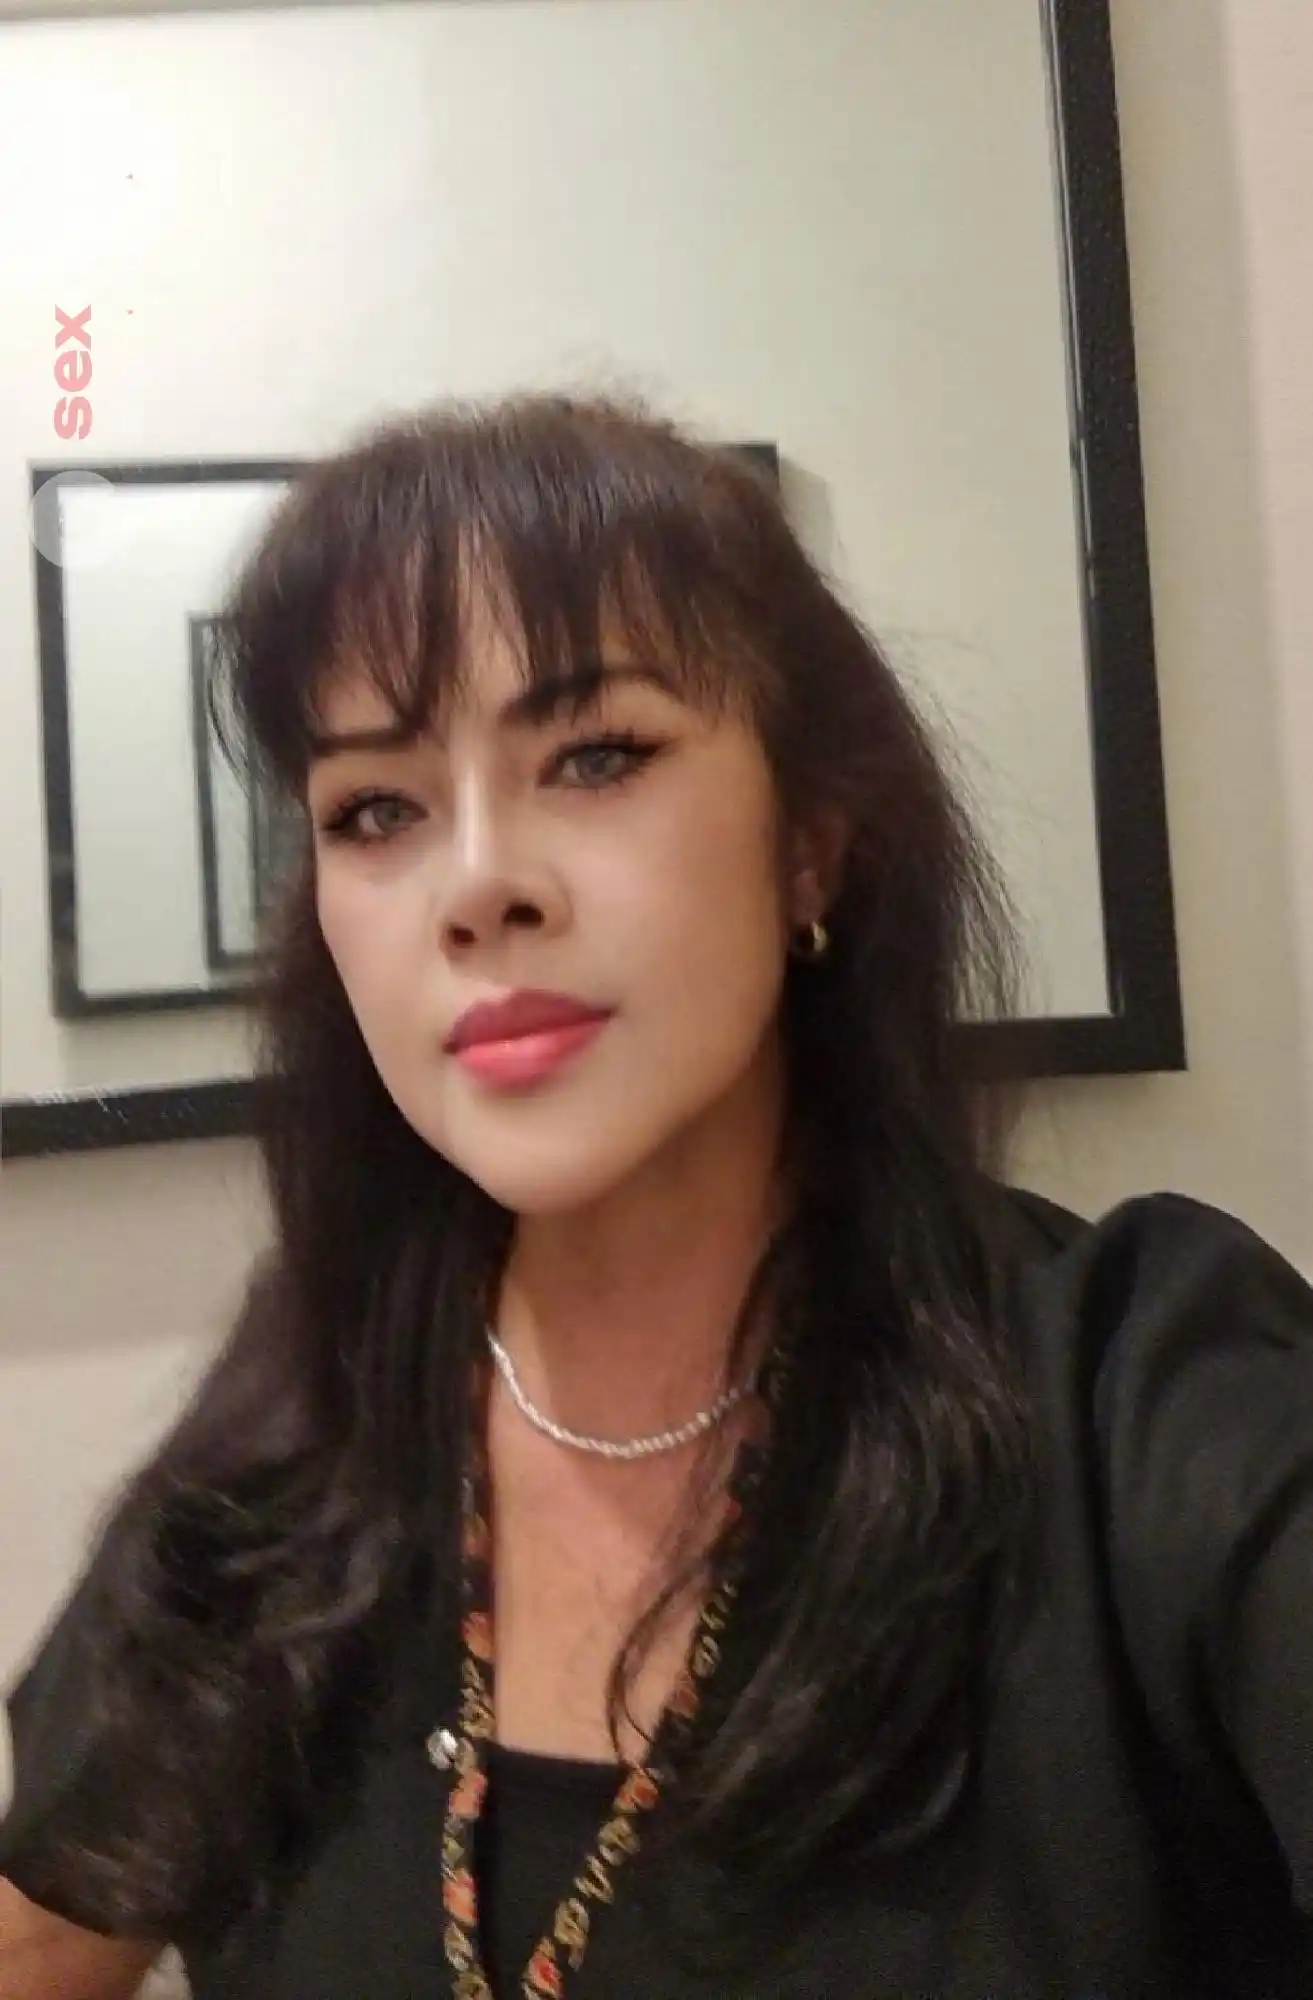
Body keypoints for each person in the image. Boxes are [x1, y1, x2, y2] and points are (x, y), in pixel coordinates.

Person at [1, 390, 1311, 2000]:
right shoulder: (304, 1421)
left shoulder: (1144, 1393)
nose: (479, 885)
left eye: (596, 755)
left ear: (808, 844)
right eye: (376, 809)